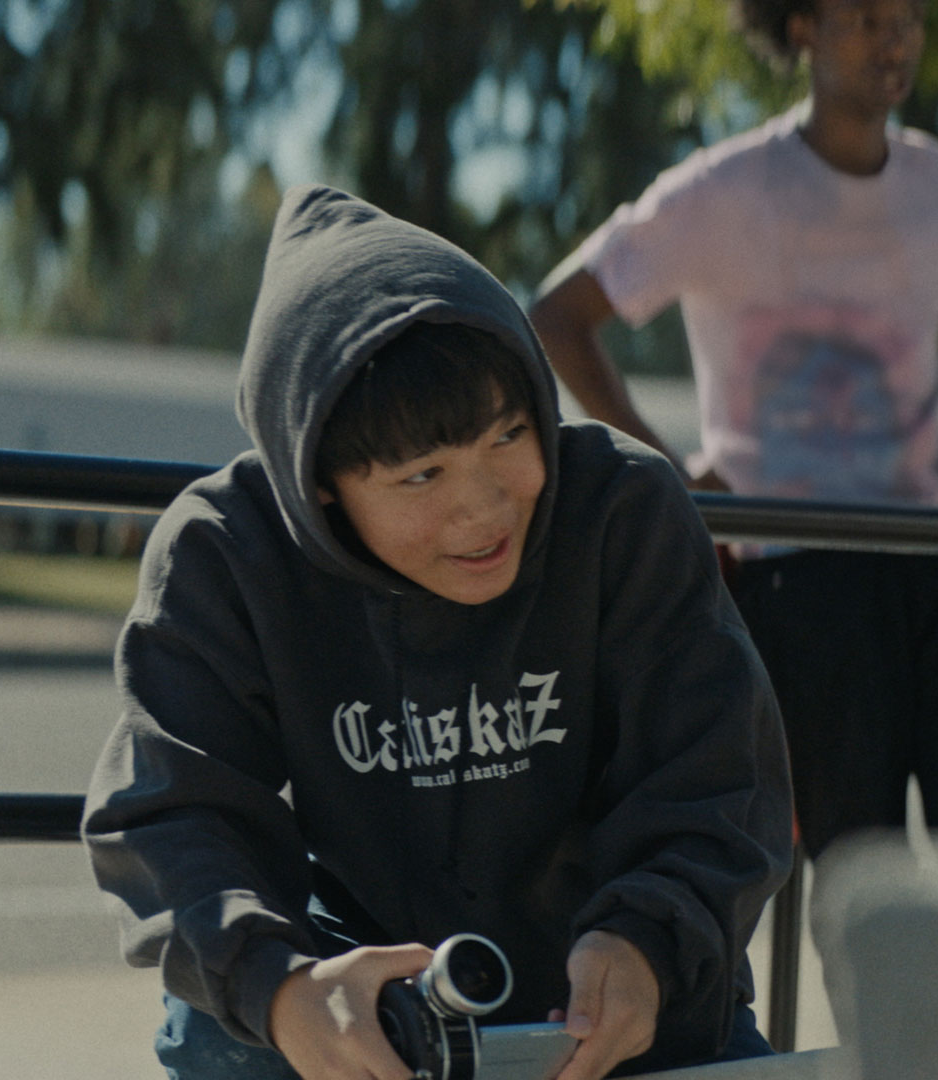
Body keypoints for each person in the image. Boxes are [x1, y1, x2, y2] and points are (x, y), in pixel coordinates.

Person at [80, 184, 793, 1080]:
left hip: (620, 983)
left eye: (510, 434)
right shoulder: (225, 552)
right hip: (360, 990)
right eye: (422, 476)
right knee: (216, 1022)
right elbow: (171, 812)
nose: (487, 508)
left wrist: (648, 941)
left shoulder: (627, 512)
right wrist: (283, 984)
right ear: (320, 482)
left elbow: (722, 773)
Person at [529, 0, 938, 882]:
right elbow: (556, 319)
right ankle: (880, 1032)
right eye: (866, 15)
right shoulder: (722, 192)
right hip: (804, 570)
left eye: (910, 15)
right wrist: (672, 475)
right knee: (858, 866)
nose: (895, 37)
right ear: (801, 26)